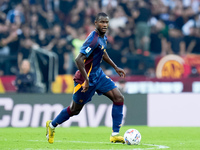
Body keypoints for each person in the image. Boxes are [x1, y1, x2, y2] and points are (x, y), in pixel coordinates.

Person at [46, 12, 126, 144]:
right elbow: (79, 59)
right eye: (102, 22)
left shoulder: (103, 37)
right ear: (95, 23)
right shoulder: (93, 39)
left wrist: (115, 67)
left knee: (119, 98)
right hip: (85, 80)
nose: (104, 25)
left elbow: (102, 52)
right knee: (74, 110)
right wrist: (86, 80)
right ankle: (52, 125)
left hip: (98, 75)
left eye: (106, 22)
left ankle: (115, 134)